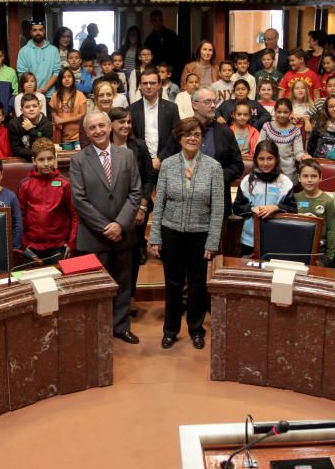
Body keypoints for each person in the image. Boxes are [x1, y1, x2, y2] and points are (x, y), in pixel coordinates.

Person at [148, 118, 224, 350]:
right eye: (188, 134)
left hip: (199, 234)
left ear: (202, 138)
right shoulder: (168, 165)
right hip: (171, 232)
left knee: (197, 283)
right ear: (179, 137)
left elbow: (218, 207)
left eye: (197, 135)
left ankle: (196, 329)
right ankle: (170, 330)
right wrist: (155, 237)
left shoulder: (213, 167)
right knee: (172, 283)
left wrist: (212, 240)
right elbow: (158, 203)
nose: (192, 138)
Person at [70, 111, 142, 344]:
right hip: (94, 236)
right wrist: (105, 227)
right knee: (97, 287)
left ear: (110, 127)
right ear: (87, 133)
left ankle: (121, 327)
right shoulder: (79, 159)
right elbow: (79, 199)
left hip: (123, 234)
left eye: (102, 125)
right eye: (92, 128)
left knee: (123, 283)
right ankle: (98, 330)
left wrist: (120, 224)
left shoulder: (127, 155)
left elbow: (135, 192)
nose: (98, 131)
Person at [109, 106, 155, 272]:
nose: (126, 125)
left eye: (129, 122)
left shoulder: (139, 146)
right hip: (113, 208)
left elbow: (149, 178)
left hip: (137, 207)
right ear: (111, 124)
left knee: (133, 254)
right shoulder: (104, 147)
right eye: (122, 122)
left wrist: (142, 206)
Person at [18, 138, 77, 263]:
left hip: (58, 246)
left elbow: (74, 215)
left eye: (50, 159)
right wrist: (24, 243)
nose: (46, 164)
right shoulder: (25, 185)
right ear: (34, 161)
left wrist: (71, 242)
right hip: (32, 246)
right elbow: (20, 216)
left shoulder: (64, 184)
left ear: (55, 159)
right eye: (41, 159)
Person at [233, 140, 295, 256]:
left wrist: (276, 207)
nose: (265, 163)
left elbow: (293, 209)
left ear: (276, 159)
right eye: (261, 159)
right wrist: (252, 209)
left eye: (270, 158)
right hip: (250, 240)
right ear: (256, 159)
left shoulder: (285, 182)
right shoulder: (247, 181)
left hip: (277, 239)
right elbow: (237, 208)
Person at [128, 68, 180, 172]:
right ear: (140, 86)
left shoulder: (172, 108)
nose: (148, 86)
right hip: (140, 165)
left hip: (167, 163)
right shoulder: (130, 110)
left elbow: (176, 135)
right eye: (144, 83)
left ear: (159, 85)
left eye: (152, 83)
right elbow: (131, 139)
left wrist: (160, 159)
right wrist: (146, 161)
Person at [293, 159, 335, 266]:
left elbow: (332, 230)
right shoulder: (294, 198)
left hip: (320, 251)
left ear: (320, 177)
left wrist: (330, 256)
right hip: (298, 248)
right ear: (299, 178)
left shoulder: (328, 201)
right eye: (305, 176)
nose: (309, 180)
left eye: (313, 176)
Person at [258, 98, 306, 183]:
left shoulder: (295, 130)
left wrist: (303, 157)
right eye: (279, 112)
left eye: (285, 112)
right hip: (268, 168)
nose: (282, 115)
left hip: (288, 171)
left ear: (290, 113)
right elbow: (258, 147)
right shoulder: (266, 126)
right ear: (275, 112)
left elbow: (298, 152)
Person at [17, 21, 62, 98]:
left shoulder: (53, 50)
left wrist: (44, 89)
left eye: (40, 30)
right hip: (30, 95)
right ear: (31, 32)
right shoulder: (23, 51)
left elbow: (57, 72)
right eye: (35, 30)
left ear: (44, 31)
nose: (38, 32)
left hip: (50, 95)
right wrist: (34, 90)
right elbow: (22, 74)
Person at [8, 93, 54, 160]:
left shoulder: (47, 124)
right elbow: (16, 150)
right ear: (21, 110)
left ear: (40, 107)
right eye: (27, 107)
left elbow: (45, 149)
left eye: (34, 106)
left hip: (42, 161)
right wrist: (36, 152)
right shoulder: (14, 124)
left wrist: (31, 130)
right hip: (21, 161)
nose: (31, 109)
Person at [50, 68, 87, 150]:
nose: (67, 79)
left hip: (79, 136)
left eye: (69, 76)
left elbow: (83, 115)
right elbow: (53, 111)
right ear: (60, 80)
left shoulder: (80, 95)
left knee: (80, 159)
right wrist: (56, 117)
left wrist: (63, 120)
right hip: (64, 137)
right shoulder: (55, 96)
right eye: (64, 77)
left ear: (73, 79)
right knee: (67, 160)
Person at [144, 9, 183, 82]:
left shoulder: (172, 35)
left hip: (172, 71)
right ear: (151, 22)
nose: (158, 23)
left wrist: (173, 68)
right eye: (155, 20)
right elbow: (149, 58)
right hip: (156, 71)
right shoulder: (149, 40)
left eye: (160, 20)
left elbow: (178, 54)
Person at [307, 94, 335, 158]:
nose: (334, 109)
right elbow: (310, 147)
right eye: (330, 107)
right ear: (327, 110)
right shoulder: (319, 125)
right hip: (319, 162)